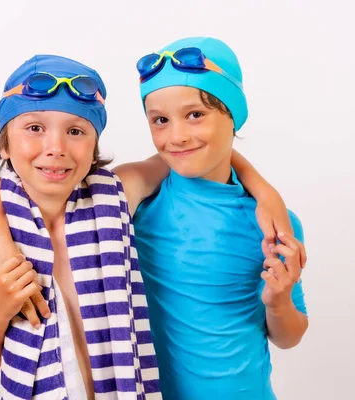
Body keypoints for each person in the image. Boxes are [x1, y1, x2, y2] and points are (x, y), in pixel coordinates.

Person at [0, 54, 162, 400]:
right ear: (4, 144)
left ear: (94, 146)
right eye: (35, 128)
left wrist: (262, 190)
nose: (56, 148)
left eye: (76, 131)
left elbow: (181, 152)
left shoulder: (118, 195)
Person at [131, 36, 309, 399]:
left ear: (233, 115)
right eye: (160, 120)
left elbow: (289, 337)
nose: (177, 136)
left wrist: (279, 300)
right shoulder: (136, 209)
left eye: (195, 115)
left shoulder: (273, 223)